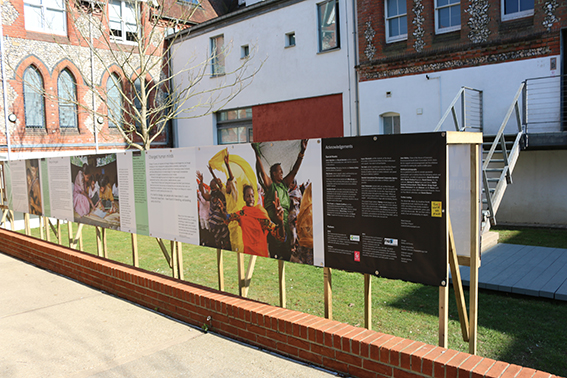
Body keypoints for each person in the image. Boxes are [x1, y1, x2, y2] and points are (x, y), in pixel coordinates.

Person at [253, 139, 308, 260]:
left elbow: (294, 170)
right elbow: (262, 172)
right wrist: (257, 153)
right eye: (279, 170)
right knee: (275, 253)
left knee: (286, 251)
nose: (282, 172)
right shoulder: (270, 185)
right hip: (273, 224)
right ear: (273, 173)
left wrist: (302, 153)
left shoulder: (284, 184)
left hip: (285, 224)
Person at [221, 185, 285, 257]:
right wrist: (222, 211)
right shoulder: (241, 214)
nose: (251, 199)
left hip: (261, 255)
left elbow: (279, 235)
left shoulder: (260, 214)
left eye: (252, 196)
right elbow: (228, 218)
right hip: (248, 255)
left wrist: (281, 221)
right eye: (248, 196)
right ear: (244, 198)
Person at [197, 170, 231, 250]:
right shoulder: (212, 196)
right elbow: (203, 194)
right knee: (218, 243)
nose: (213, 189)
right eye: (212, 187)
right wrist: (201, 182)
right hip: (215, 225)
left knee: (224, 242)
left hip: (222, 225)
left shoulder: (223, 195)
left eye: (214, 187)